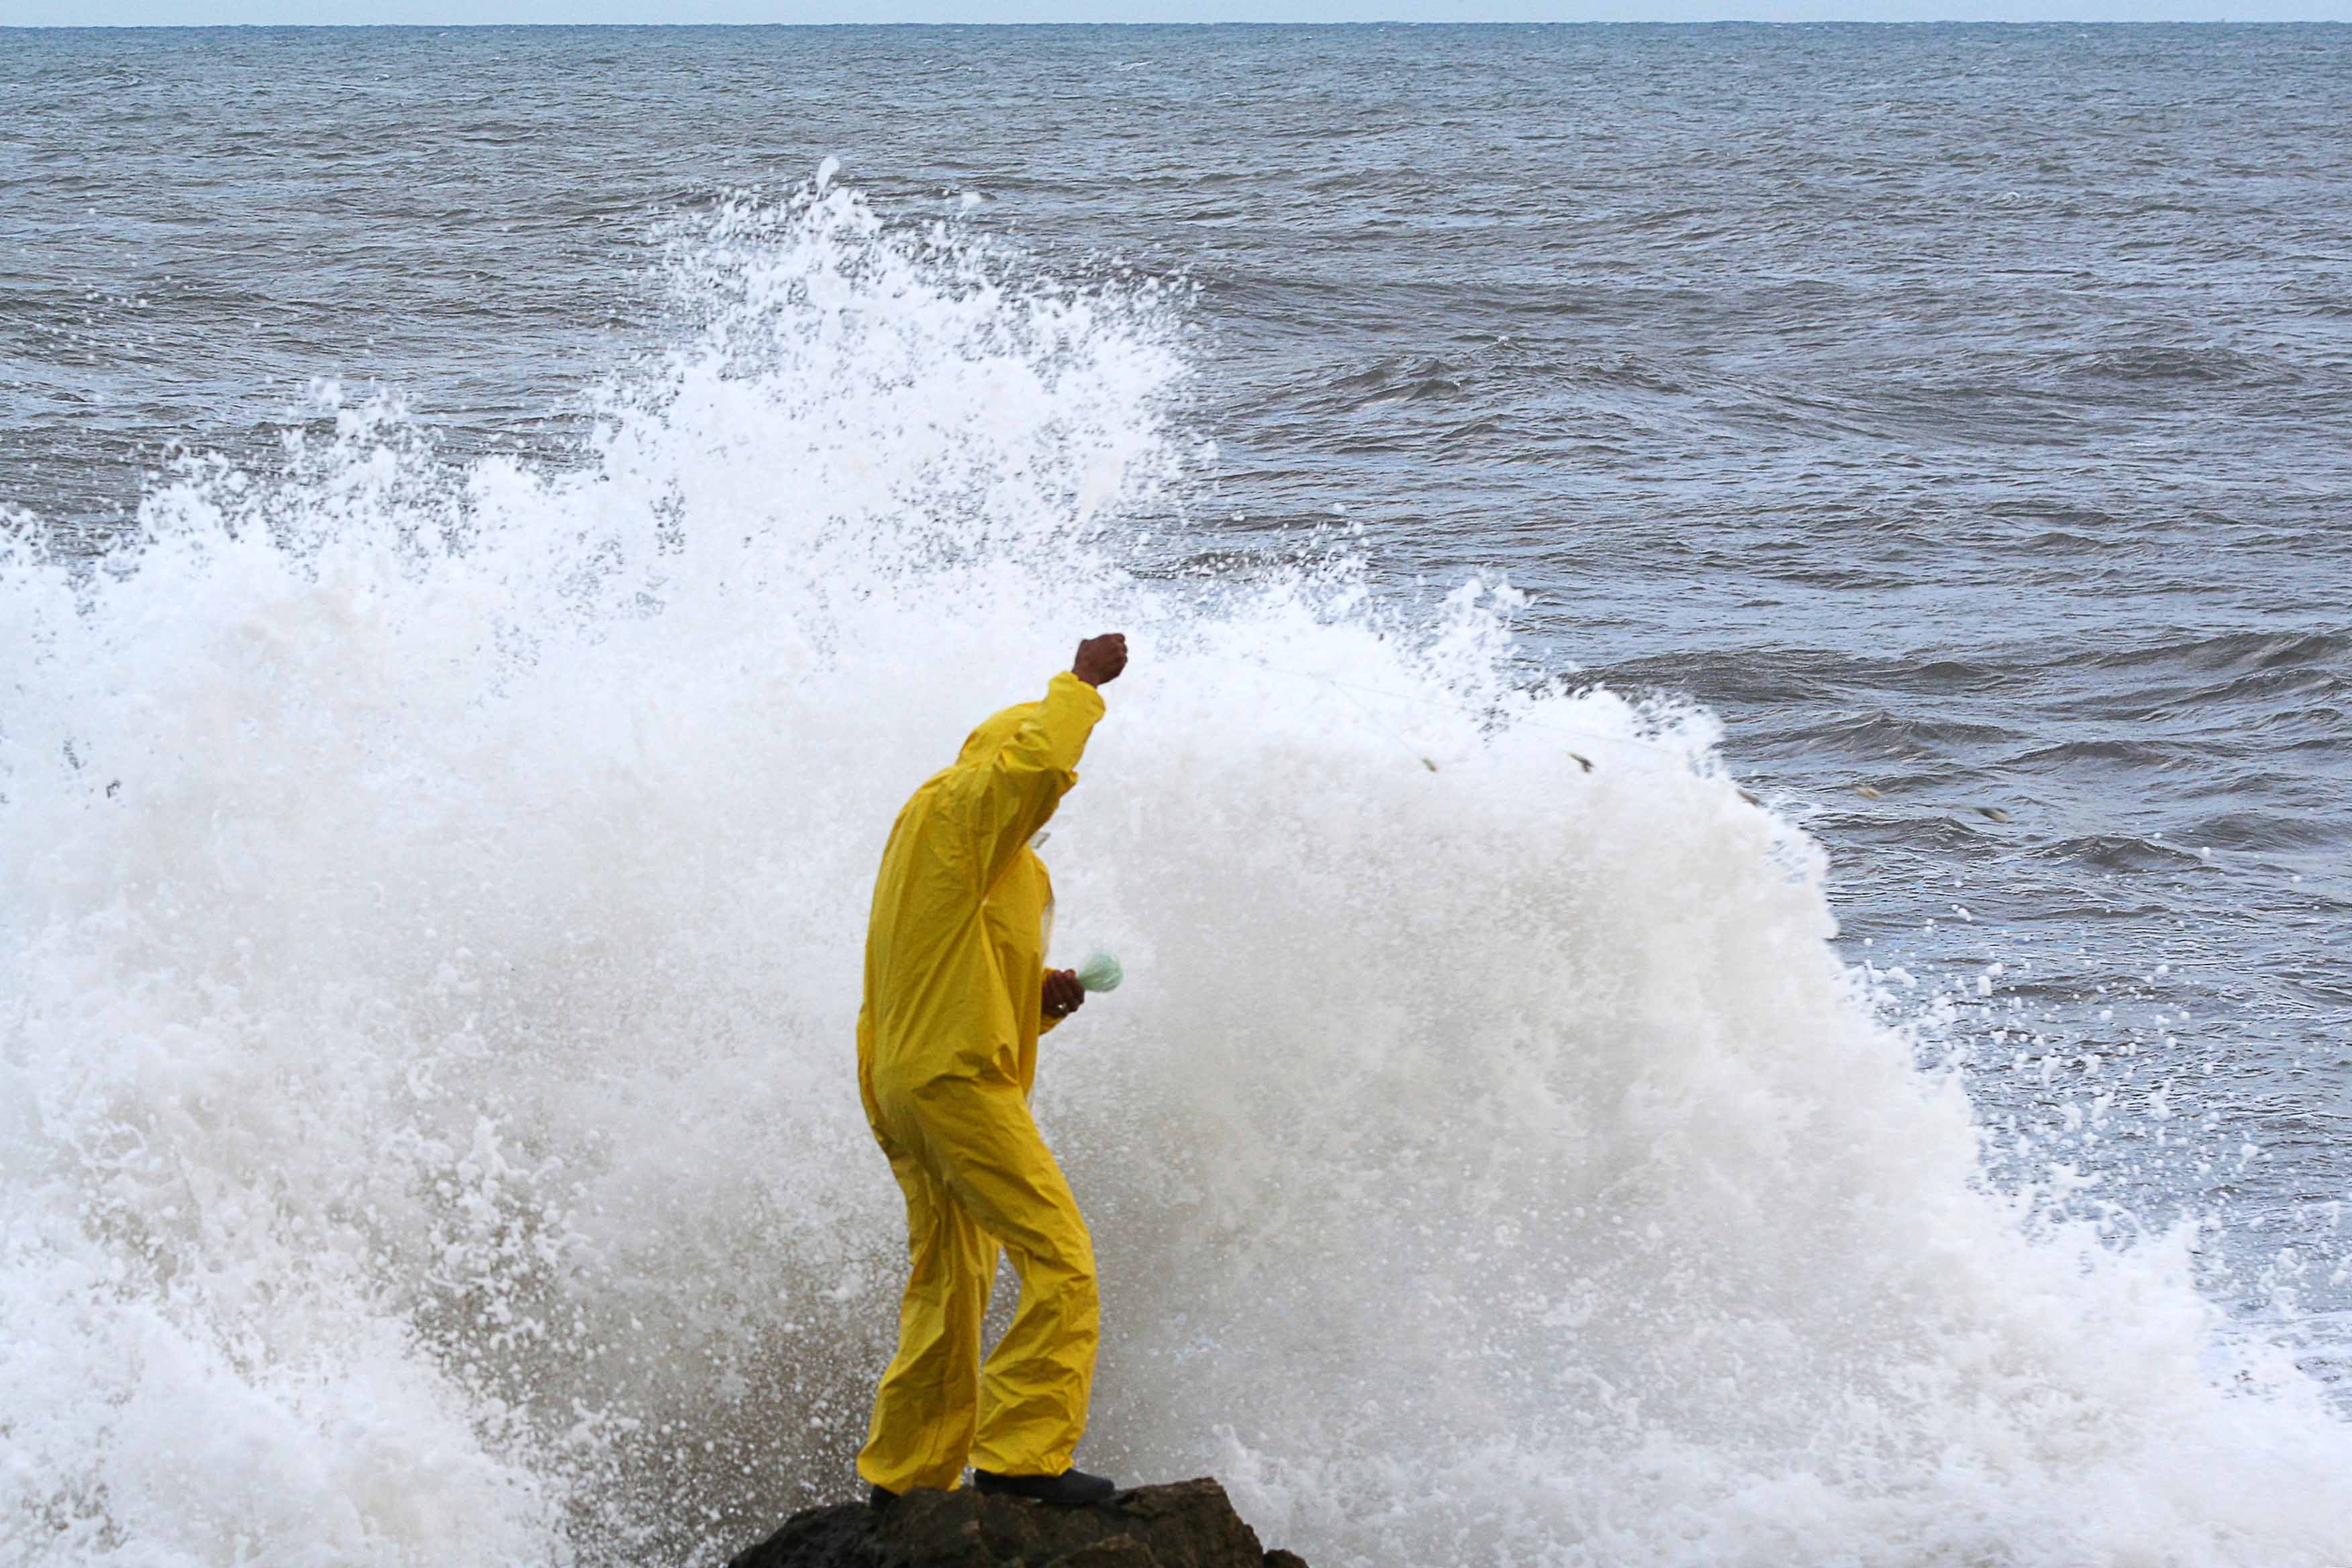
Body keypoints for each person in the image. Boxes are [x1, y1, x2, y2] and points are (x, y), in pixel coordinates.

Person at [854, 632, 1130, 1510]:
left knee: (952, 1278)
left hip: (919, 1075)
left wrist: (1041, 999)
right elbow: (1034, 769)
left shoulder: (1001, 868)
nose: (1047, 806)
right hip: (955, 1082)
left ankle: (909, 1474)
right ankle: (1022, 1457)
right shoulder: (952, 807)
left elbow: (959, 979)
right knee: (1062, 1257)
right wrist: (1081, 685)